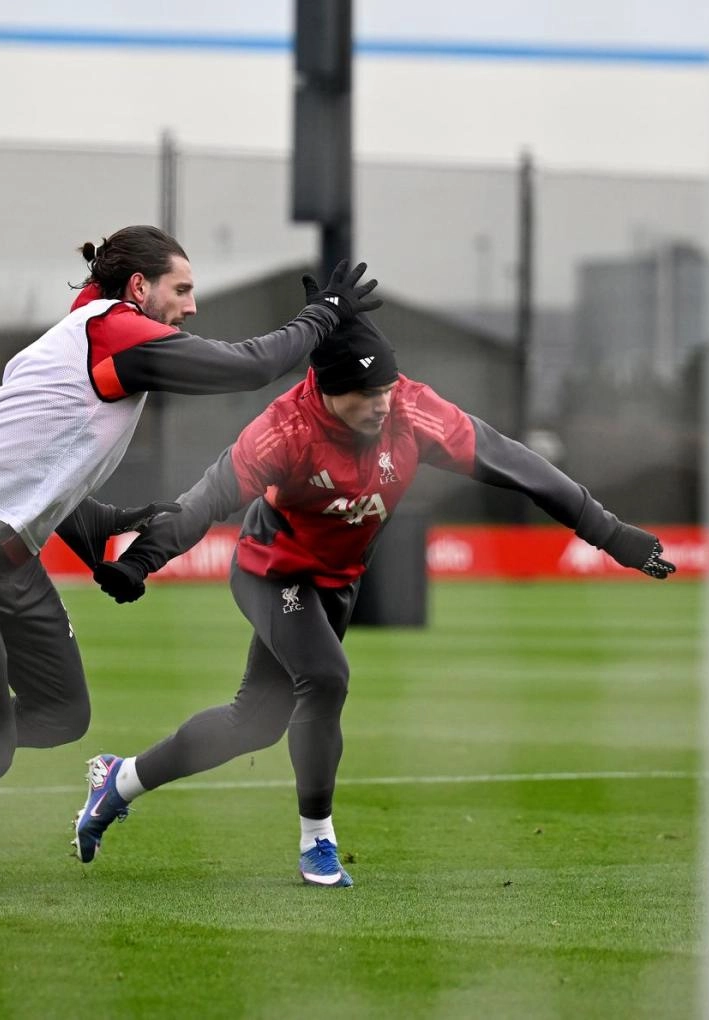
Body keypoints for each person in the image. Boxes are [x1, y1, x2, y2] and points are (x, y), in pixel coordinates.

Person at [0, 227, 382, 894]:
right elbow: (247, 367)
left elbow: (45, 472)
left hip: (8, 559)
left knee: (61, 712)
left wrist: (107, 529)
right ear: (139, 287)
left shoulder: (85, 331)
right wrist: (322, 316)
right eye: (182, 289)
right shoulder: (114, 331)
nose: (192, 305)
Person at [70, 280, 676, 888]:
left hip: (338, 582)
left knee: (254, 722)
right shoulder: (284, 429)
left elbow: (518, 464)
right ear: (328, 391)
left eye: (386, 387)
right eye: (365, 393)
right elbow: (205, 501)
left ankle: (120, 780)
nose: (382, 403)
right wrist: (141, 560)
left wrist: (612, 533)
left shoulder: (412, 410)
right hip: (273, 570)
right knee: (326, 677)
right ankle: (318, 842)